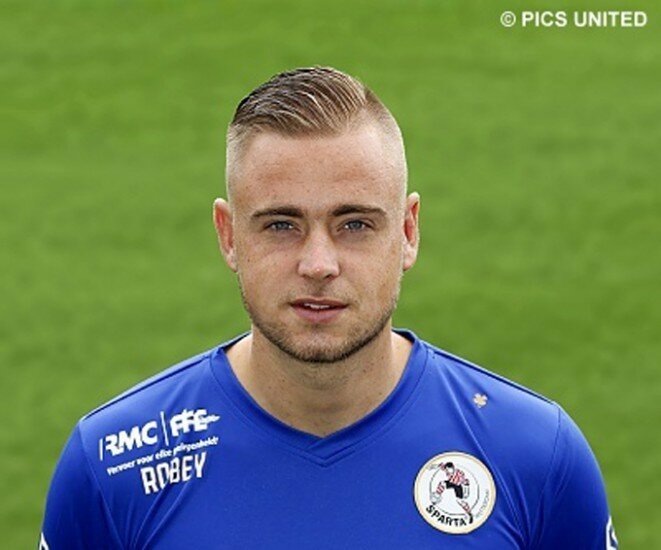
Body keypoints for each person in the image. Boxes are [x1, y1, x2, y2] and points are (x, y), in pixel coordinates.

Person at [40, 66, 617, 549]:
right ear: (229, 236)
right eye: (281, 225)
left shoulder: (536, 457)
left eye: (355, 224)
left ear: (408, 232)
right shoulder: (112, 466)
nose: (319, 263)